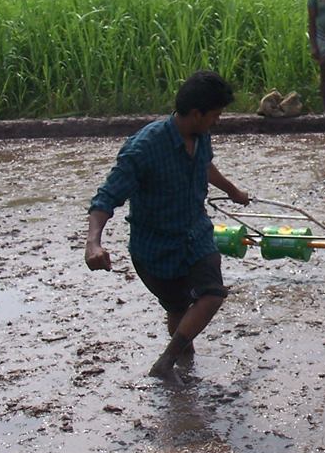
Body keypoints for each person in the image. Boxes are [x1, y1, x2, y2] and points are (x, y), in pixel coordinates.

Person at [85, 70, 250, 383]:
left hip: (196, 236)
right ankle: (181, 362)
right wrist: (94, 243)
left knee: (211, 294)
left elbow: (205, 165)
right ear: (196, 113)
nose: (218, 121)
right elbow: (106, 198)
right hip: (155, 249)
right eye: (215, 115)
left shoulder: (201, 135)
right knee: (177, 309)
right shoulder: (144, 149)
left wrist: (232, 191)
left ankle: (166, 363)